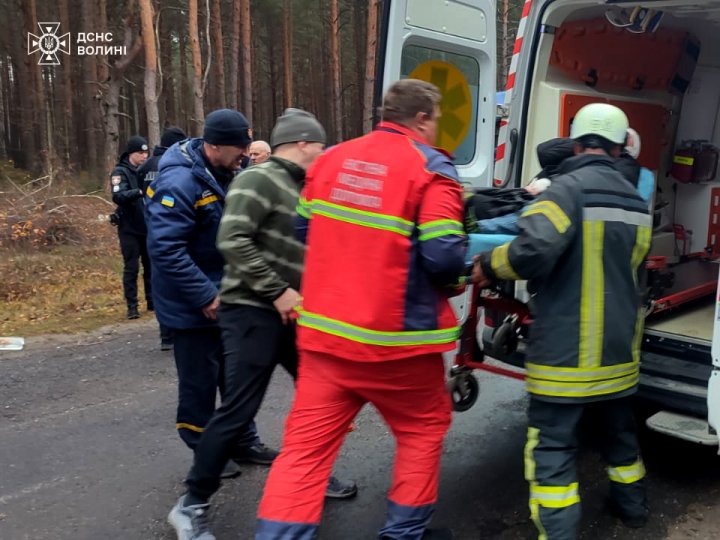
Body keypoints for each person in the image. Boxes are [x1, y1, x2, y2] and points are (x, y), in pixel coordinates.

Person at [255, 79, 467, 540]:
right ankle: (402, 535)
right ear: (423, 118)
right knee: (421, 430)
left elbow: (304, 231)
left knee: (304, 454)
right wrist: (467, 274)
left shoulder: (331, 160)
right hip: (398, 345)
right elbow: (445, 257)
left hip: (326, 339)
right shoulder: (432, 169)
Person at [167, 108, 358, 540]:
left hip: (293, 314)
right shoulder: (258, 178)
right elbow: (231, 239)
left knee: (320, 399)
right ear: (305, 143)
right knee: (239, 409)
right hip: (251, 311)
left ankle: (309, 476)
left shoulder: (305, 186)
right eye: (321, 145)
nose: (324, 153)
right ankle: (190, 505)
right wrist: (277, 291)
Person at [472, 103, 651, 539]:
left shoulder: (564, 191)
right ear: (618, 147)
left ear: (576, 143)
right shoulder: (638, 202)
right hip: (618, 351)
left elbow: (532, 251)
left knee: (552, 448)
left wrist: (487, 265)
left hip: (566, 355)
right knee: (619, 436)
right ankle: (633, 509)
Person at [145, 109, 276, 481]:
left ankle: (243, 441)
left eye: (248, 146)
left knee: (235, 377)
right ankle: (204, 452)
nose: (246, 154)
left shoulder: (227, 170)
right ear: (213, 145)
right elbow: (166, 250)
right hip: (190, 305)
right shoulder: (178, 183)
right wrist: (205, 296)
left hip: (225, 294)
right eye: (240, 147)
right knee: (200, 382)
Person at [137, 126, 187, 351]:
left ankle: (165, 335)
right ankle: (179, 331)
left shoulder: (146, 166)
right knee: (179, 278)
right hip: (176, 229)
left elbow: (142, 193)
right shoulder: (178, 165)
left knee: (158, 278)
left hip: (150, 227)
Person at [110, 135, 150, 320]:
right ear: (131, 154)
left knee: (150, 266)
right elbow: (118, 196)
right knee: (131, 267)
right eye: (140, 153)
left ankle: (152, 301)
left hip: (147, 225)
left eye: (146, 153)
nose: (144, 156)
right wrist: (139, 192)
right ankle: (132, 306)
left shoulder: (146, 171)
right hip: (129, 228)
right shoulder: (120, 172)